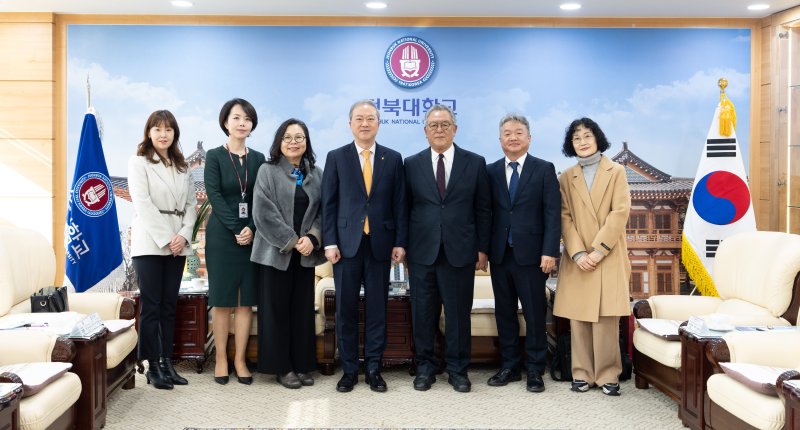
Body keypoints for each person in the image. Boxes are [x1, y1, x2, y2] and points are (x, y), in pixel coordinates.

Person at [321, 99, 407, 393]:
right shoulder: (336, 157)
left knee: (377, 310)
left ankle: (373, 368)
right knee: (345, 310)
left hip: (380, 244)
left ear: (379, 124)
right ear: (350, 124)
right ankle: (348, 370)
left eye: (371, 118)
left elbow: (399, 204)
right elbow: (329, 204)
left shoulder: (393, 158)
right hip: (345, 246)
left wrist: (400, 242)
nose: (365, 123)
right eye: (359, 118)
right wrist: (330, 242)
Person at [404, 104, 491, 393]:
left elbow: (483, 209)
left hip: (460, 251)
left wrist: (482, 248)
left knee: (457, 315)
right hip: (421, 252)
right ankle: (425, 368)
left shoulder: (475, 163)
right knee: (423, 314)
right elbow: (404, 209)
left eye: (444, 125)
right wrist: (402, 247)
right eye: (433, 125)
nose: (439, 130)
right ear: (425, 131)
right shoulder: (411, 164)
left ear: (455, 129)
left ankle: (457, 370)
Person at [553, 117, 631, 397]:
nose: (582, 142)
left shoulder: (616, 171)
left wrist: (598, 251)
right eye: (576, 138)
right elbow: (564, 217)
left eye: (587, 136)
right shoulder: (566, 176)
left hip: (607, 254)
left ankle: (609, 374)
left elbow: (620, 212)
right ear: (570, 144)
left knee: (606, 320)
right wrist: (577, 252)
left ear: (597, 138)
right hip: (578, 257)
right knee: (579, 318)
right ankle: (581, 373)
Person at [486, 114, 560, 393]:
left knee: (534, 314)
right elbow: (485, 213)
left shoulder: (543, 169)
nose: (513, 137)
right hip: (500, 254)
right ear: (500, 140)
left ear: (529, 138)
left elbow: (552, 214)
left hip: (532, 256)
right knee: (504, 313)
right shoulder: (490, 171)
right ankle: (509, 366)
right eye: (507, 133)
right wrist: (483, 250)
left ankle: (535, 369)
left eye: (518, 132)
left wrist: (550, 250)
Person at [251, 118, 326, 389]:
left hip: (306, 254)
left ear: (307, 142)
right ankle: (282, 367)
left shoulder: (316, 173)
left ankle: (302, 364)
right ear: (279, 142)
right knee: (276, 311)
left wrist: (313, 238)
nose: (293, 142)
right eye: (287, 137)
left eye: (299, 137)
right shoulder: (267, 171)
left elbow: (324, 211)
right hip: (275, 253)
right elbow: (263, 213)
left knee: (301, 311)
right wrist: (293, 241)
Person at [128, 110, 197, 390]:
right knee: (152, 307)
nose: (163, 134)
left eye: (168, 129)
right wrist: (168, 237)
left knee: (169, 306)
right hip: (150, 242)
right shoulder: (139, 162)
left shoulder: (183, 167)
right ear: (149, 132)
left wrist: (183, 235)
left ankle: (167, 363)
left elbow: (191, 205)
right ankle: (152, 366)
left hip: (178, 243)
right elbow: (142, 204)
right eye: (157, 129)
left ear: (175, 133)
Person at [204, 98, 266, 385]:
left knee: (245, 302)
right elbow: (214, 196)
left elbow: (261, 198)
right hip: (222, 235)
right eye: (237, 118)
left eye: (247, 119)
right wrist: (236, 228)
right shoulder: (215, 156)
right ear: (225, 122)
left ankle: (240, 359)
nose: (242, 123)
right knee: (222, 300)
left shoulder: (259, 159)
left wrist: (250, 227)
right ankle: (220, 358)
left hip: (252, 235)